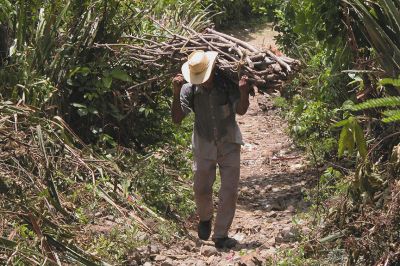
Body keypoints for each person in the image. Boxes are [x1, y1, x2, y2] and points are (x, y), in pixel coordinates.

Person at [171, 50, 250, 249]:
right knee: (201, 188)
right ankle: (205, 217)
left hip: (229, 142)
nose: (203, 82)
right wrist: (175, 92)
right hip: (203, 144)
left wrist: (243, 91)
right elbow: (177, 119)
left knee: (229, 190)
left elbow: (241, 110)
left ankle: (221, 235)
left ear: (213, 69)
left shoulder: (226, 85)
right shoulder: (189, 90)